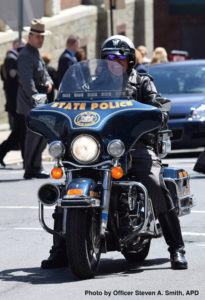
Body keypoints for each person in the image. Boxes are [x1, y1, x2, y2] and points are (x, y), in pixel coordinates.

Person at [41, 35, 187, 271]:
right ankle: (59, 249)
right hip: (99, 148)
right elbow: (74, 104)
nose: (114, 61)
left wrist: (158, 111)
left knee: (153, 182)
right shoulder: (93, 85)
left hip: (135, 146)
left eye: (120, 57)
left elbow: (156, 104)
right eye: (109, 57)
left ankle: (176, 248)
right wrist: (57, 107)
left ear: (129, 60)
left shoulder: (142, 82)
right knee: (68, 181)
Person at [17, 19, 53, 179]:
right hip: (30, 101)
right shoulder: (26, 54)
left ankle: (35, 166)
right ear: (30, 36)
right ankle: (30, 167)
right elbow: (27, 82)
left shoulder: (35, 53)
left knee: (42, 134)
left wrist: (49, 82)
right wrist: (36, 98)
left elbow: (45, 73)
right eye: (38, 37)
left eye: (42, 37)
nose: (41, 40)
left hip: (39, 100)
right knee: (34, 134)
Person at [0, 39, 27, 167]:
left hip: (17, 104)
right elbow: (11, 86)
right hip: (16, 104)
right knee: (21, 132)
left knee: (18, 132)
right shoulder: (11, 59)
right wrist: (17, 105)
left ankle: (1, 152)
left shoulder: (13, 58)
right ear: (16, 45)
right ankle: (27, 160)